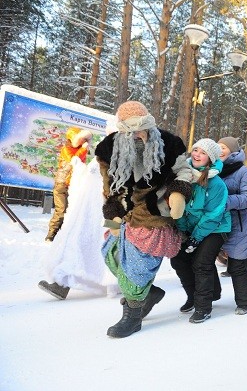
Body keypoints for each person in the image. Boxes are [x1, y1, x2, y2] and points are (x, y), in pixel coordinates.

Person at [95, 101, 193, 338]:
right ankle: (148, 294)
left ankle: (133, 316)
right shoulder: (109, 149)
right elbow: (110, 189)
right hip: (125, 215)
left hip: (155, 215)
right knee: (110, 252)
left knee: (138, 268)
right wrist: (112, 217)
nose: (139, 135)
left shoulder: (169, 144)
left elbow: (184, 170)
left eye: (143, 128)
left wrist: (179, 193)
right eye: (132, 130)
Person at [38, 154, 119, 300]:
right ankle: (61, 284)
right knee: (75, 243)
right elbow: (88, 180)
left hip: (106, 214)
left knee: (106, 246)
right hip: (87, 213)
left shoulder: (120, 157)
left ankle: (114, 285)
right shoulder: (102, 154)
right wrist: (79, 167)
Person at [169, 138, 231, 323]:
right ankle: (193, 296)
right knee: (178, 259)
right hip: (191, 227)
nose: (197, 154)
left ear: (210, 159)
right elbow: (179, 206)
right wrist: (183, 231)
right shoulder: (183, 175)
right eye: (195, 150)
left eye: (203, 153)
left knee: (201, 263)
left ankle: (203, 307)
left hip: (216, 228)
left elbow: (213, 215)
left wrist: (195, 238)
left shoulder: (217, 184)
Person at [217, 136, 247, 315]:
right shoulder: (213, 169)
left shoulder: (243, 172)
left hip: (239, 225)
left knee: (236, 266)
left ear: (233, 150)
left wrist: (224, 202)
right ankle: (210, 295)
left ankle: (243, 302)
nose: (221, 150)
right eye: (218, 147)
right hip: (217, 225)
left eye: (224, 147)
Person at [46, 126, 93, 242]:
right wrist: (83, 149)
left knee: (71, 211)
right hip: (62, 184)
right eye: (81, 139)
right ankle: (51, 235)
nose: (83, 142)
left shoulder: (81, 150)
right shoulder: (66, 149)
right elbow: (74, 161)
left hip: (74, 185)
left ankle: (63, 235)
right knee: (61, 210)